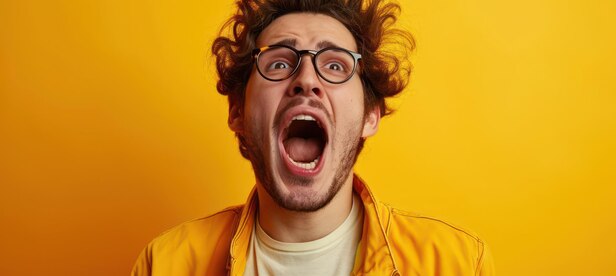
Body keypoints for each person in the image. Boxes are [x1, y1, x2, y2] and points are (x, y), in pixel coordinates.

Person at [132, 0, 495, 275]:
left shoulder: (457, 263)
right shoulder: (166, 264)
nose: (306, 79)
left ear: (371, 115)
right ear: (237, 113)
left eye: (335, 65)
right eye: (278, 62)